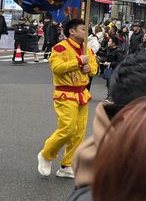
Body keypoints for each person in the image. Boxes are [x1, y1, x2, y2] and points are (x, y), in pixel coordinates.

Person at [37, 19, 99, 179]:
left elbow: (94, 68)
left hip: (82, 93)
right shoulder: (60, 48)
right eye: (83, 29)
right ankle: (46, 154)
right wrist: (78, 62)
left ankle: (67, 164)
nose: (86, 31)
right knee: (68, 128)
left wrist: (89, 68)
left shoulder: (87, 49)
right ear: (72, 31)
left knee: (79, 132)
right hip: (65, 93)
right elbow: (56, 68)